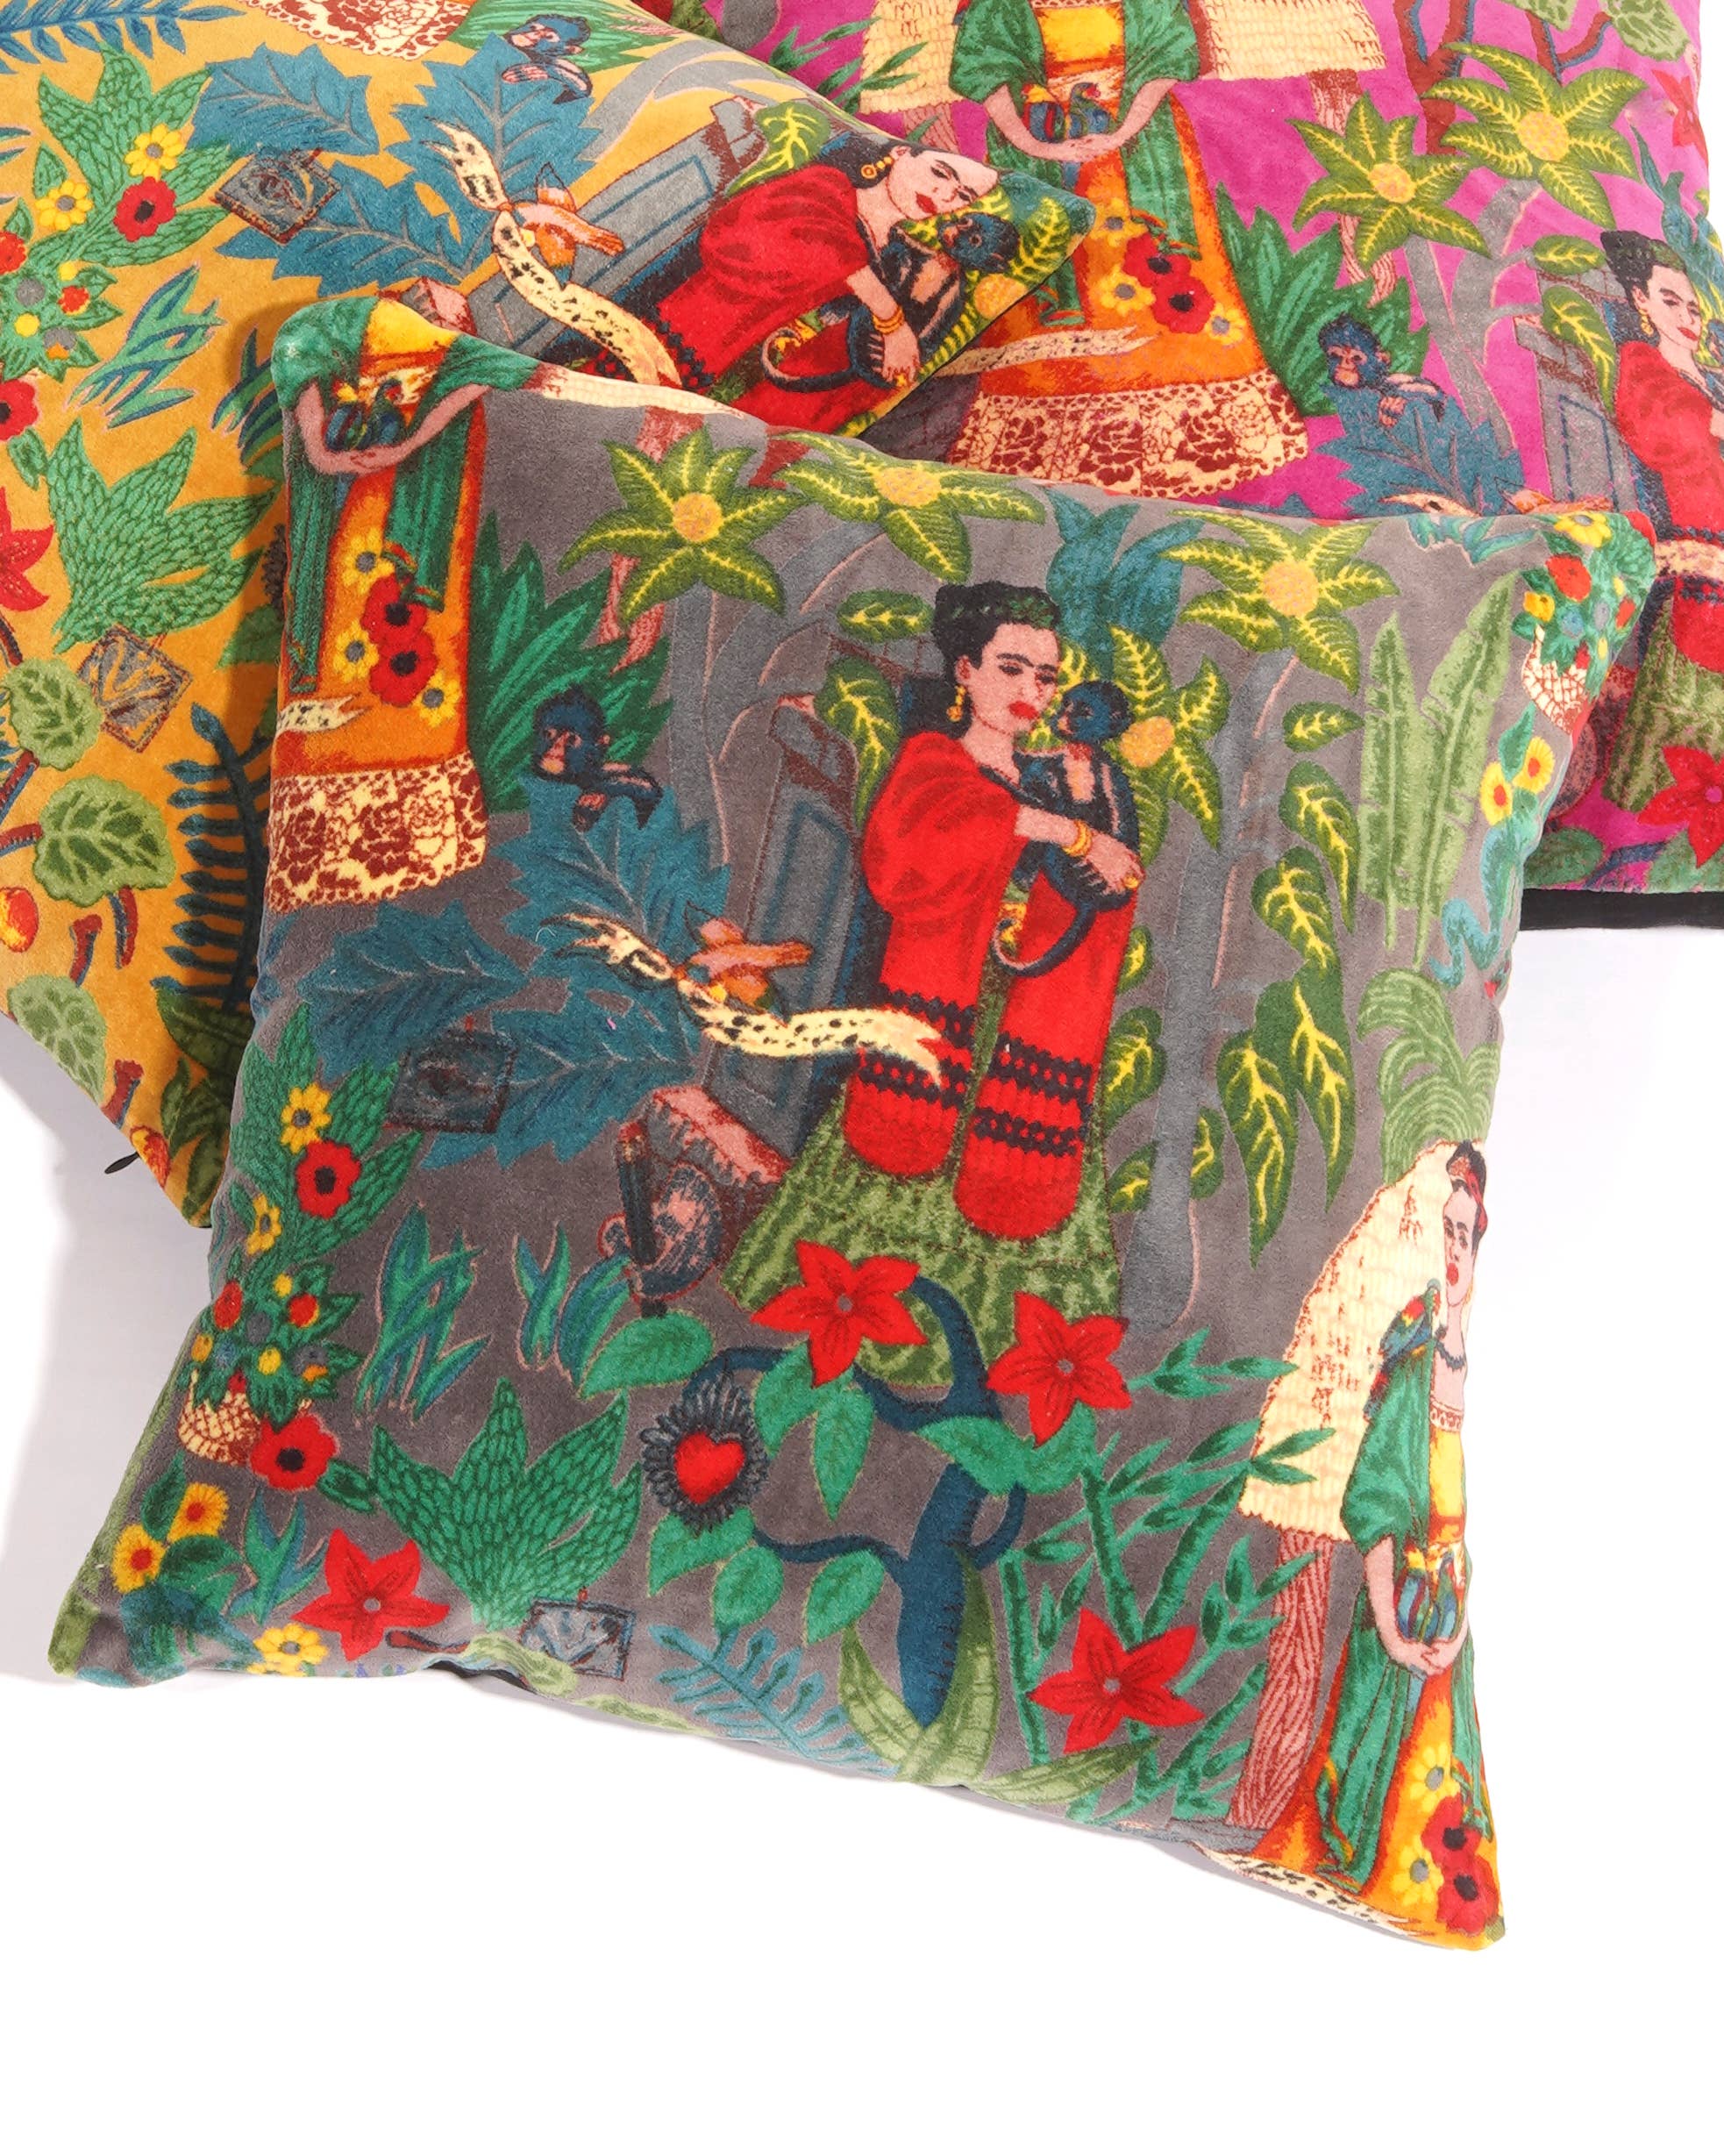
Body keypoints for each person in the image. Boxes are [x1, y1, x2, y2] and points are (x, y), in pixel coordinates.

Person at [726, 582, 1142, 1373]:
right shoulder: (933, 763)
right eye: (1010, 669)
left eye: (1045, 678)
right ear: (964, 670)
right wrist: (1064, 832)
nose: (1029, 692)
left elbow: (1105, 885)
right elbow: (915, 848)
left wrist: (1089, 810)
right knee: (881, 1191)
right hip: (935, 1015)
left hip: (1025, 1030)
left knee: (1020, 1195)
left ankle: (991, 1365)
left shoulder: (1056, 778)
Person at [1254, 1144, 1500, 1943]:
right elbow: (1379, 1505)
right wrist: (1393, 1632)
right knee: (1369, 1780)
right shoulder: (1417, 1360)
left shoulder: (1456, 1359)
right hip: (1399, 1613)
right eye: (1445, 1230)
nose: (1455, 1250)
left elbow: (1455, 1518)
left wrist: (1459, 1624)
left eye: (1466, 1235)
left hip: (1446, 1619)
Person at [939, 0, 1307, 494]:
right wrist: (1041, 147)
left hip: (1143, 149)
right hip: (1041, 151)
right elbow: (988, 76)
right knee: (1056, 289)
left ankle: (1202, 427)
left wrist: (1121, 133)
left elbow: (1164, 60)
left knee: (1165, 284)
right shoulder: (998, 8)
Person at [646, 135, 997, 430]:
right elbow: (804, 242)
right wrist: (892, 321)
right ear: (901, 152)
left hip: (738, 389)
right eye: (940, 173)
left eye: (964, 195)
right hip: (683, 336)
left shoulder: (896, 257)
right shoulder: (827, 188)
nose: (945, 194)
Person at [1598, 229, 1724, 809]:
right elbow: (1659, 431)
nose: (1686, 318)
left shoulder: (1712, 377)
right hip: (1696, 556)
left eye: (1694, 308)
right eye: (1670, 301)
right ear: (1640, 300)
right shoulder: (1643, 365)